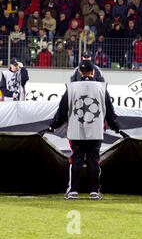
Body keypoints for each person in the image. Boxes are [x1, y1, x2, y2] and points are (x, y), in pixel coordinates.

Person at [48, 60, 122, 200]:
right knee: (94, 160)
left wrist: (53, 125)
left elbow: (62, 111)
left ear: (80, 72)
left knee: (76, 160)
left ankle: (73, 191)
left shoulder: (71, 88)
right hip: (95, 131)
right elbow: (110, 112)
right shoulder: (102, 87)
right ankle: (94, 191)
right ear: (93, 71)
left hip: (76, 131)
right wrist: (116, 127)